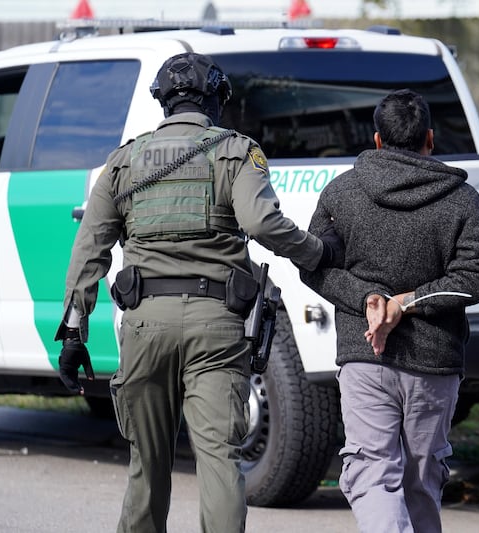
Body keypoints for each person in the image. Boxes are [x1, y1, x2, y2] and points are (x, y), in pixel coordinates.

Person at [54, 52, 342, 533]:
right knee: (220, 461)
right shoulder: (236, 151)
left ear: (162, 102)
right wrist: (316, 252)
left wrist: (73, 334)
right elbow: (260, 222)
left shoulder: (123, 161)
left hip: (145, 325)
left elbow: (89, 251)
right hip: (216, 326)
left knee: (146, 466)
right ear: (215, 99)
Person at [299, 89, 479, 533]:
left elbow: (314, 266)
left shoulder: (341, 192)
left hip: (364, 357)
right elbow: (473, 279)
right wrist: (404, 302)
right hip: (435, 364)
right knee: (422, 482)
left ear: (377, 139)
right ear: (430, 138)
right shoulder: (462, 199)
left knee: (370, 474)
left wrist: (368, 300)